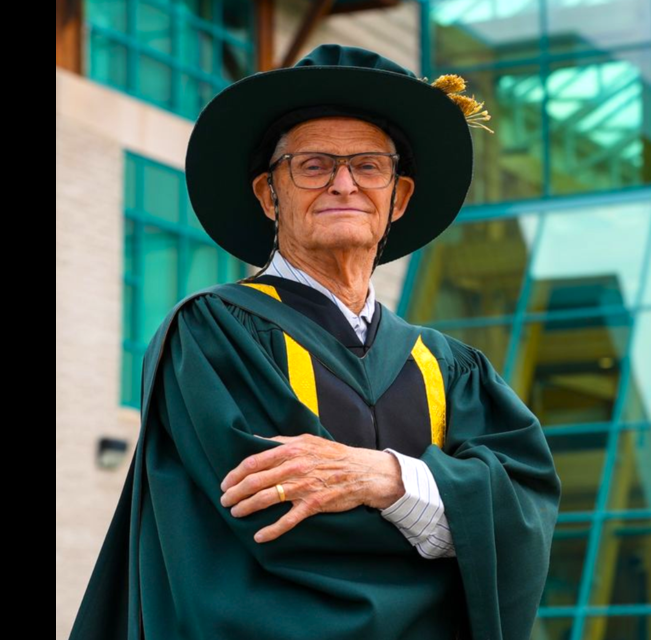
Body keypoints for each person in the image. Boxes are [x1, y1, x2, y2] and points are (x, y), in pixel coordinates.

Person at [67, 44, 561, 640]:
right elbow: (274, 516)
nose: (344, 184)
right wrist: (450, 515)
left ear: (397, 199)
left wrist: (386, 478)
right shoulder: (212, 335)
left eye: (369, 166)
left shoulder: (449, 367)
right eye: (314, 165)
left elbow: (522, 519)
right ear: (268, 194)